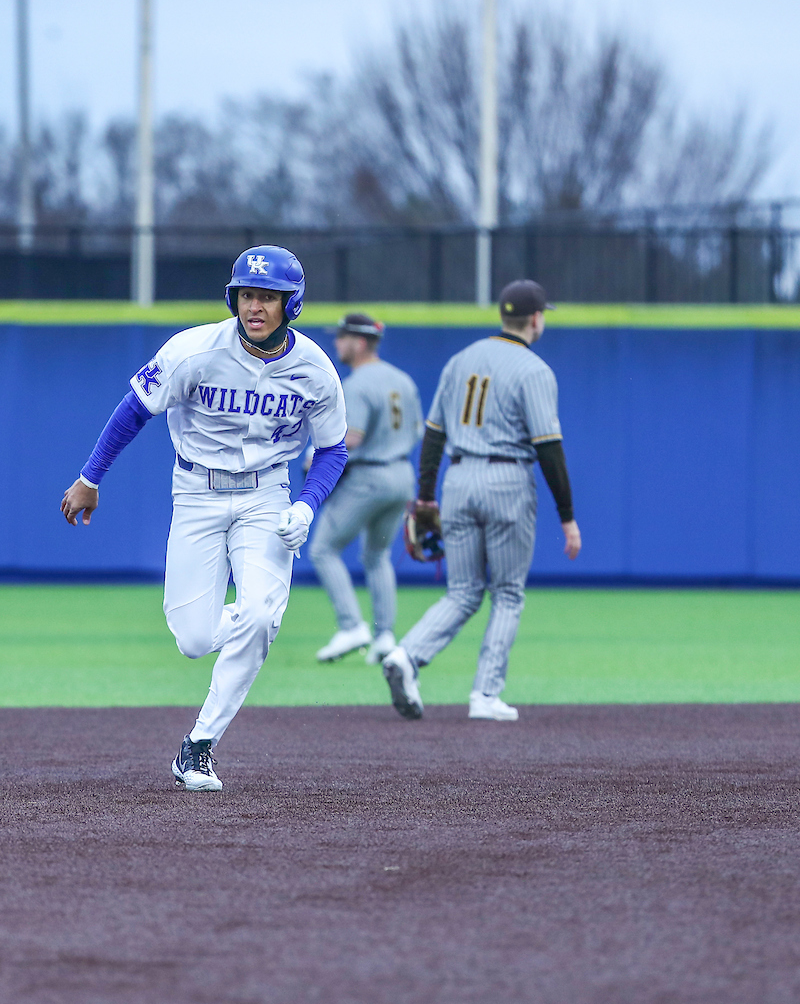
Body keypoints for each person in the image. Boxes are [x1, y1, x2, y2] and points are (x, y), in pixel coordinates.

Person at [60, 245, 347, 790]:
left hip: (267, 494)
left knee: (262, 616)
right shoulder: (194, 349)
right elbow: (134, 410)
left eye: (268, 297)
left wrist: (307, 504)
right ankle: (257, 615)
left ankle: (199, 746)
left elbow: (332, 449)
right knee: (193, 638)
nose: (255, 306)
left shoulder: (314, 368)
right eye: (246, 295)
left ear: (293, 303)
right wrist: (90, 478)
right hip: (197, 491)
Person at [381, 279, 582, 722]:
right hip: (507, 478)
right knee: (507, 593)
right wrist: (567, 517)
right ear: (535, 319)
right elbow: (549, 448)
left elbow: (433, 435)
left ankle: (406, 655)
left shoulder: (460, 360)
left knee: (464, 590)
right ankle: (485, 695)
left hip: (458, 477)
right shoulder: (534, 370)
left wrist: (427, 496)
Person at [310, 313, 423, 665]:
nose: (336, 343)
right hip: (402, 474)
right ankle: (385, 636)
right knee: (377, 556)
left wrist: (312, 456)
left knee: (323, 549)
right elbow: (417, 429)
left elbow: (353, 438)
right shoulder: (402, 380)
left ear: (358, 343)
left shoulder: (357, 384)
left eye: (342, 337)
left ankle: (351, 626)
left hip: (369, 476)